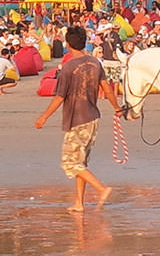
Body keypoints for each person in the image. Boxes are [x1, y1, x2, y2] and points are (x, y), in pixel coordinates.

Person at [33, 25, 118, 211]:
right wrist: (116, 108)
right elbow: (107, 89)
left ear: (68, 44)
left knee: (70, 162)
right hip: (93, 117)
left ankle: (102, 189)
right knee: (81, 162)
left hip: (78, 119)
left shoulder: (69, 67)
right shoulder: (96, 62)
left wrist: (43, 117)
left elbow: (59, 97)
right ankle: (79, 203)